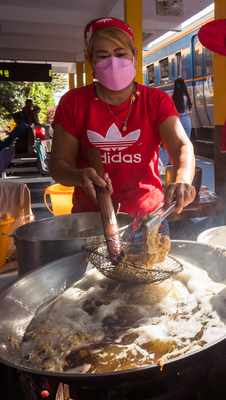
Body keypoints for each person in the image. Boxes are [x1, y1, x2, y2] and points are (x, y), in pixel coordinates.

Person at [49, 17, 195, 239]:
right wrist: (78, 176)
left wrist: (182, 178)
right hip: (91, 223)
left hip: (149, 221)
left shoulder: (155, 101)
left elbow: (181, 146)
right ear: (89, 60)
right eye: (103, 56)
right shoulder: (73, 102)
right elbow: (59, 165)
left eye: (121, 53)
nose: (113, 62)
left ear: (134, 55)